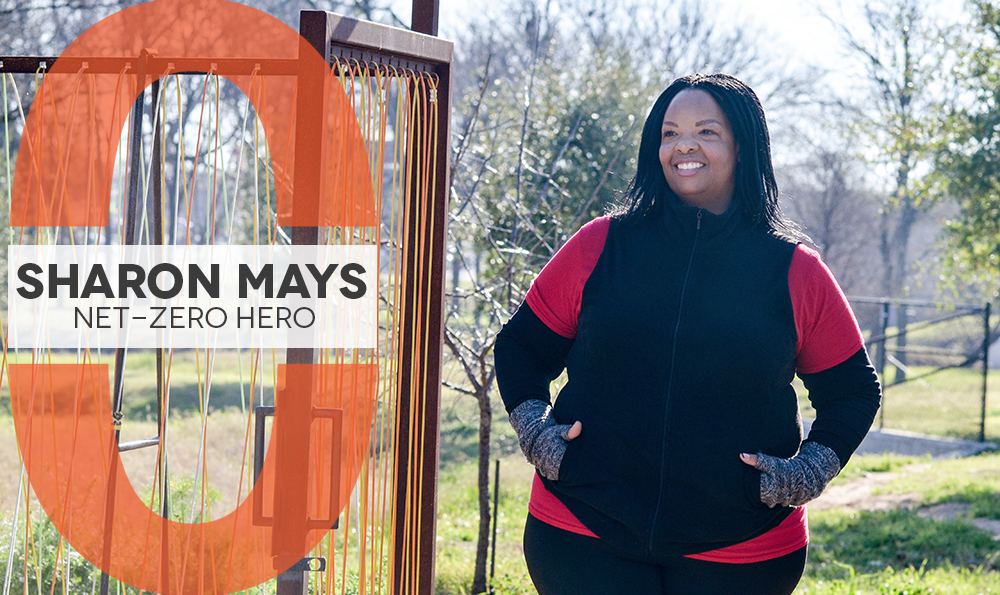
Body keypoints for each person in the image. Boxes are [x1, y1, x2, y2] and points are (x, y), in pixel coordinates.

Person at [493, 73, 882, 595]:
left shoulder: (796, 271)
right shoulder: (600, 245)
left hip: (743, 545)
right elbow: (522, 347)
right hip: (582, 528)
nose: (684, 146)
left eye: (706, 131)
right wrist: (537, 432)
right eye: (670, 133)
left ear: (744, 147)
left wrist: (809, 469)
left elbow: (853, 392)